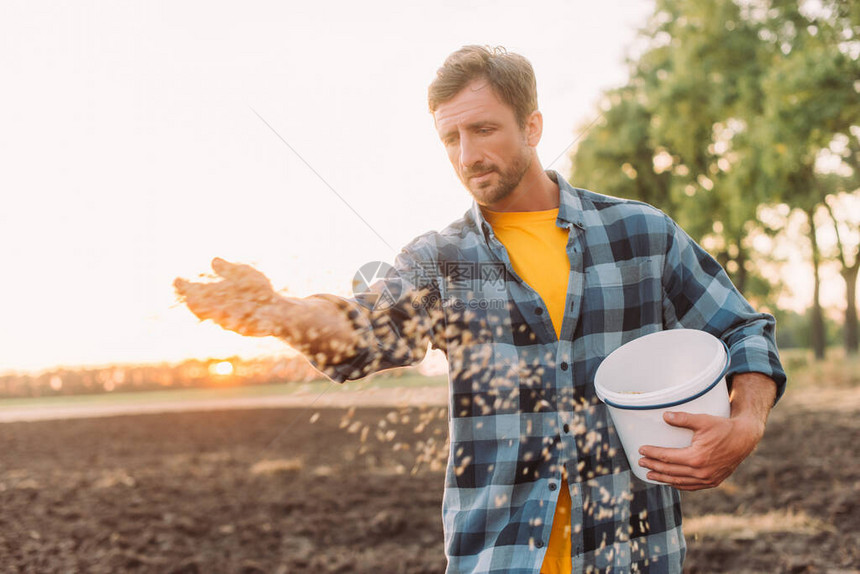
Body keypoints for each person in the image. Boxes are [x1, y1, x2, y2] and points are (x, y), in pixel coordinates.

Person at [174, 45, 786, 574]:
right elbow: (359, 336)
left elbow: (742, 329)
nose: (467, 155)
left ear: (533, 126)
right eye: (451, 138)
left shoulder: (640, 234)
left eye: (484, 130)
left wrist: (746, 424)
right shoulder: (439, 260)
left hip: (637, 554)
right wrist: (275, 310)